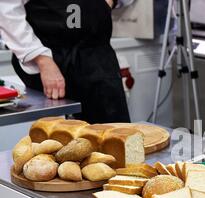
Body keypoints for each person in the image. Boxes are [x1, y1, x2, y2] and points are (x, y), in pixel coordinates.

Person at [0, 0, 131, 123]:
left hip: (98, 58)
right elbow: (8, 11)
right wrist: (43, 60)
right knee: (55, 137)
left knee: (114, 133)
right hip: (49, 61)